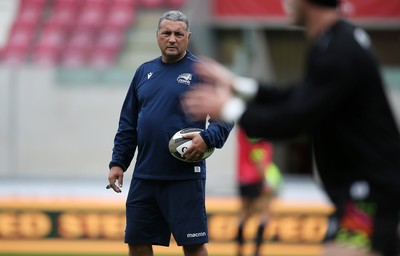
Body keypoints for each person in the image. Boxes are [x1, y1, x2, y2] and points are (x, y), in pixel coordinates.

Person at [181, 0, 400, 255]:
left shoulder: (338, 51)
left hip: (369, 195)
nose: (286, 3)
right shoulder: (336, 41)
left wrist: (229, 108)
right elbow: (299, 97)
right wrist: (238, 85)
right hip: (368, 191)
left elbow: (292, 120)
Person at [107, 10, 233, 256]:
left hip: (184, 177)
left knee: (193, 245)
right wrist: (118, 162)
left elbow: (226, 115)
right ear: (158, 36)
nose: (172, 39)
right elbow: (128, 124)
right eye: (166, 33)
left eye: (178, 34)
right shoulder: (144, 72)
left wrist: (207, 137)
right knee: (138, 241)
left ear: (188, 37)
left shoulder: (201, 72)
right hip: (145, 175)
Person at [235, 128, 282, 256]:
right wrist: (266, 180)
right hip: (257, 178)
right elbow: (258, 156)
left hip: (242, 178)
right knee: (265, 214)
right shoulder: (260, 128)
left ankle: (239, 250)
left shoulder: (242, 130)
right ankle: (256, 252)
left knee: (243, 214)